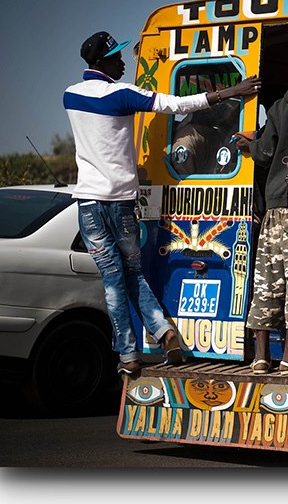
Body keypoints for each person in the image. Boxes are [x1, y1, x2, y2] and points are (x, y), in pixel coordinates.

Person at [64, 30, 260, 376]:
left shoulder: (71, 96)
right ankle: (161, 336)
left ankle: (135, 351)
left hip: (89, 205)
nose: (123, 61)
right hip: (120, 203)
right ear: (103, 62)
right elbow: (177, 105)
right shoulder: (122, 94)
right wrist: (232, 93)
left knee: (114, 279)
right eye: (117, 57)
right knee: (130, 275)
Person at [234, 84, 288, 374]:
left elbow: (267, 152)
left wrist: (250, 146)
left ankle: (261, 357)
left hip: (278, 208)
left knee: (269, 281)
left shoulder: (282, 107)